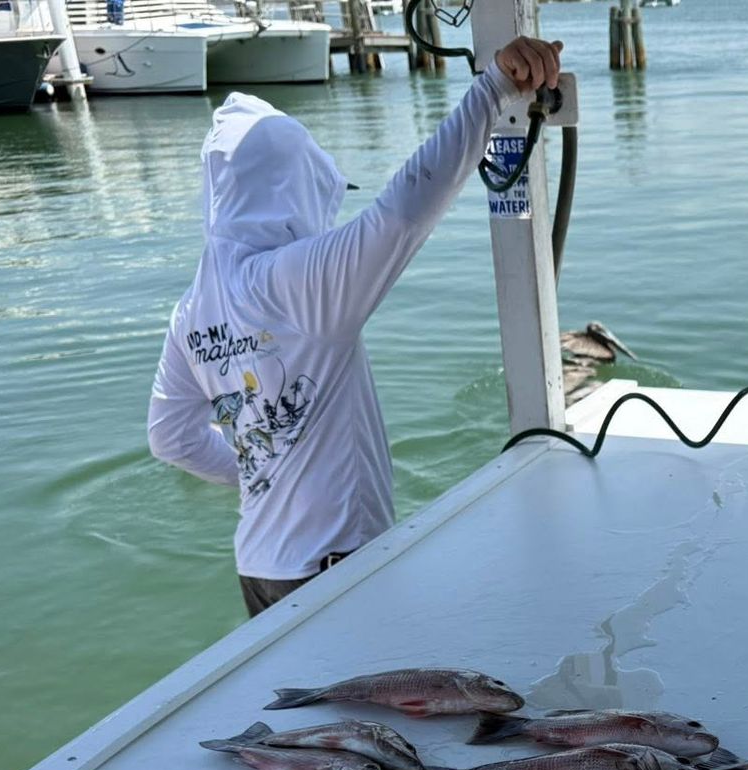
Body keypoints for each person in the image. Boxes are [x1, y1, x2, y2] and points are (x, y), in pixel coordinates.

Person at [148, 37, 563, 617]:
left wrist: (258, 473)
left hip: (259, 567)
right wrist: (492, 90)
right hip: (332, 570)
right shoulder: (294, 282)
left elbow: (170, 438)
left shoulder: (192, 310)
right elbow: (404, 211)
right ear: (291, 186)